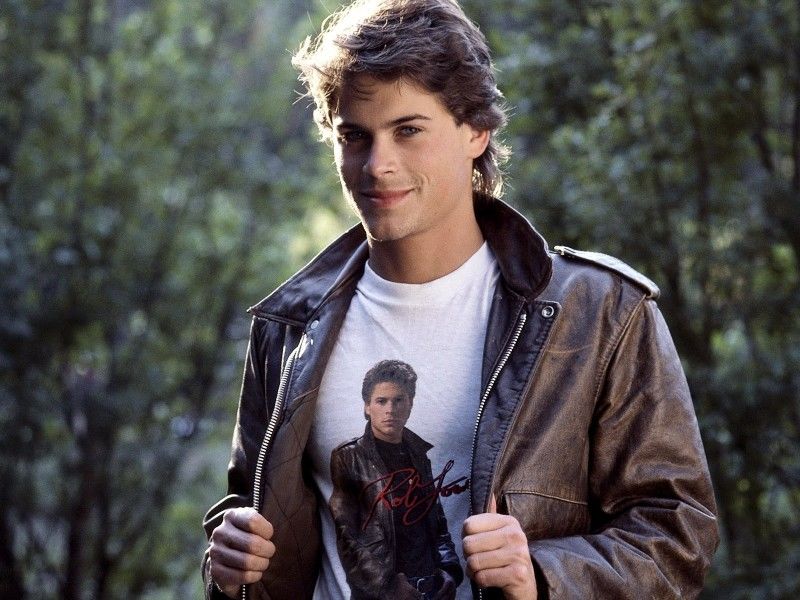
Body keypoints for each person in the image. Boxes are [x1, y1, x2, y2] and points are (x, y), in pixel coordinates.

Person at [202, 0, 719, 599]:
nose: (377, 165)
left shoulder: (600, 312)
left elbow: (677, 533)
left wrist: (541, 575)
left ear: (476, 131)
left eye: (408, 130)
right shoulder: (290, 326)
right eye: (354, 136)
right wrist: (228, 566)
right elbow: (249, 523)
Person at [328, 359, 462, 599]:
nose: (390, 409)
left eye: (398, 400)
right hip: (380, 594)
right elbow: (348, 537)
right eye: (381, 401)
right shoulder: (349, 457)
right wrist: (387, 587)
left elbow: (437, 522)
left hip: (431, 589)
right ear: (367, 407)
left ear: (410, 404)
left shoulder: (418, 454)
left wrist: (449, 571)